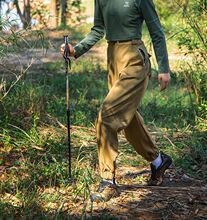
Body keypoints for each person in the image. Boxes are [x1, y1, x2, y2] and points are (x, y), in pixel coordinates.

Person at [61, 0, 172, 202]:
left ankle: (108, 181)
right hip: (113, 58)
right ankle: (158, 160)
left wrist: (163, 68)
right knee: (127, 119)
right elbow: (98, 29)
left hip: (134, 59)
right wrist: (76, 49)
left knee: (108, 116)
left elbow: (156, 30)